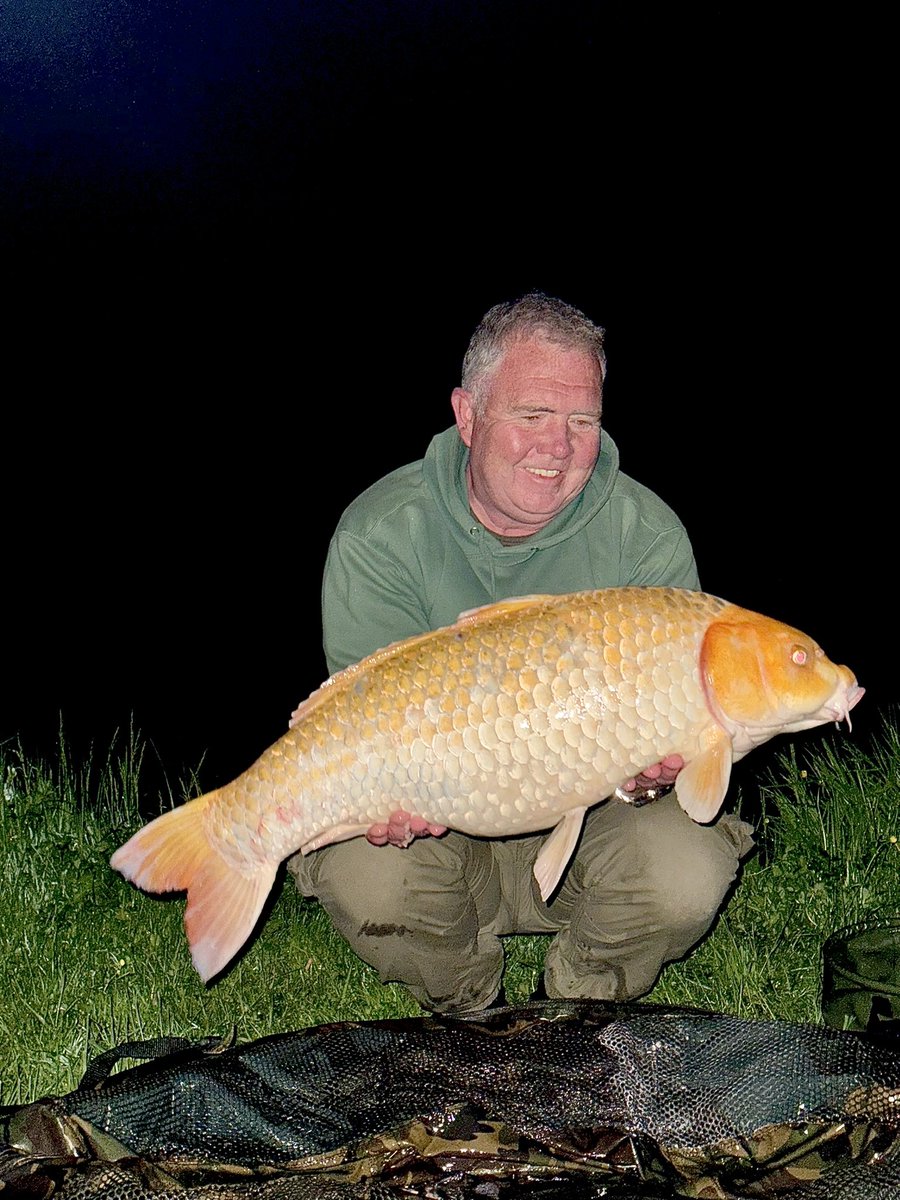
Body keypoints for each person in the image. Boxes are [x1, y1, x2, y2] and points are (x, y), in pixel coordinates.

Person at [288, 292, 754, 1013]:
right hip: (447, 841)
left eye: (582, 421)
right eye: (532, 415)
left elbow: (676, 767)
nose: (558, 446)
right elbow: (359, 716)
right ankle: (475, 1015)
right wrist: (380, 795)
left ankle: (572, 1011)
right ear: (468, 416)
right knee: (366, 871)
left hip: (589, 835)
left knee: (686, 865)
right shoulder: (382, 535)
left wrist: (652, 777)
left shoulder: (645, 536)